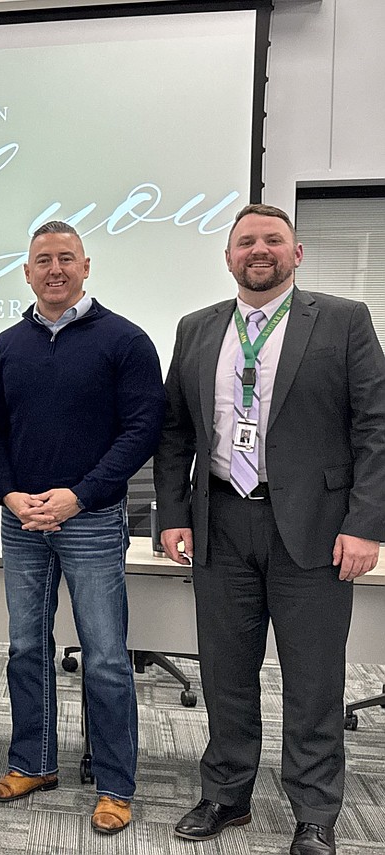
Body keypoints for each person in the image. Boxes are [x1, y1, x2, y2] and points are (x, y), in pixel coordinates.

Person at [154, 203, 385, 855]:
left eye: (273, 240)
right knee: (227, 668)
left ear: (297, 253)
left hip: (313, 528)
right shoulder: (197, 328)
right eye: (246, 241)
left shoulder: (343, 320)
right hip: (222, 519)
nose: (260, 249)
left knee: (314, 677)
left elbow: (375, 427)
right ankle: (226, 793)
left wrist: (366, 523)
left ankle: (315, 811)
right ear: (229, 258)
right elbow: (174, 431)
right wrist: (173, 514)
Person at [0, 220, 164, 834]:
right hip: (22, 522)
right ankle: (34, 761)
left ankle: (114, 783)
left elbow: (141, 432)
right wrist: (7, 494)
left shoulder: (125, 340)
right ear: (26, 272)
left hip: (91, 521)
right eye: (41, 261)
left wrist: (79, 497)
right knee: (26, 648)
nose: (54, 269)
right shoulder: (7, 344)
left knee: (106, 657)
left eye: (65, 259)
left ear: (86, 266)